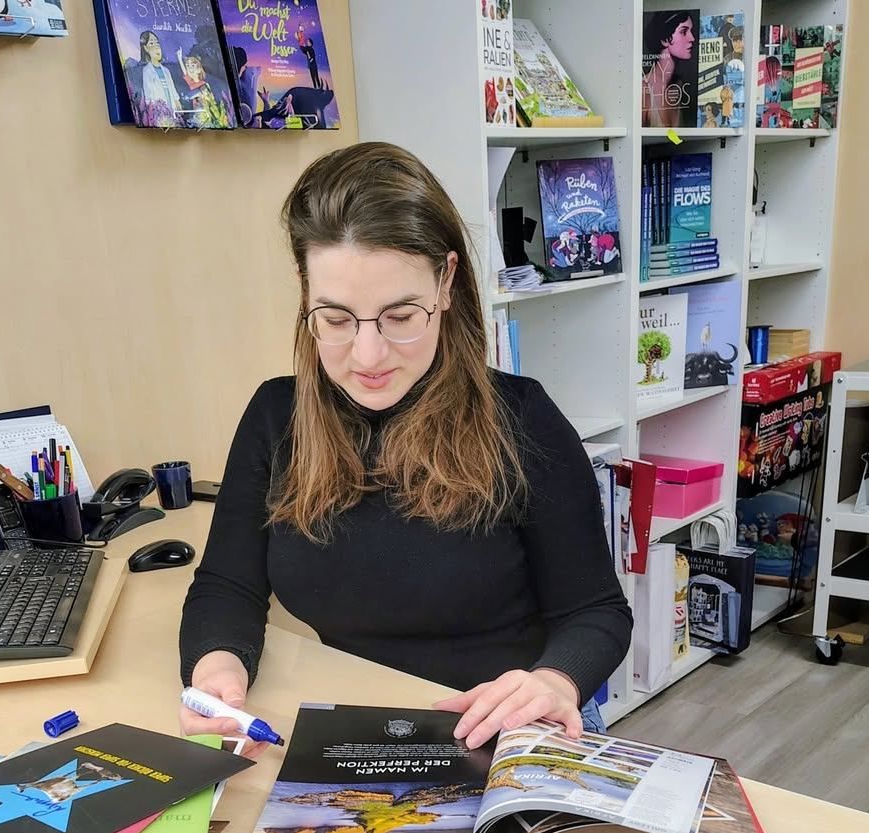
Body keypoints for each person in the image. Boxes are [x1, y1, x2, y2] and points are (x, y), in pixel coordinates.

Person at [178, 143, 632, 749]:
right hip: (360, 726)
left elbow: (597, 611)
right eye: (336, 320)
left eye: (399, 316)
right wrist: (218, 676)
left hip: (512, 729)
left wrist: (554, 681)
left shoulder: (522, 421)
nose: (368, 356)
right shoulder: (274, 416)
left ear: (445, 282)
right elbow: (227, 586)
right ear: (304, 289)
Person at [642, 11, 696, 129]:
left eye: (691, 31)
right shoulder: (644, 88)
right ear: (664, 39)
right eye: (683, 31)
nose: (692, 38)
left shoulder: (679, 86)